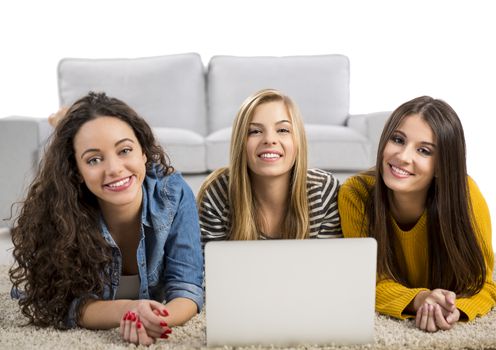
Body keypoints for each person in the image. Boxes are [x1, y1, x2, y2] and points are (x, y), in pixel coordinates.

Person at [9, 92, 203, 346]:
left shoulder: (173, 193)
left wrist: (158, 319)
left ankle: (68, 124)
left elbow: (187, 288)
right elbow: (64, 305)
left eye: (125, 150)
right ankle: (64, 125)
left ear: (144, 152)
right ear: (76, 171)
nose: (113, 169)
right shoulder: (62, 212)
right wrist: (130, 310)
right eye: (94, 160)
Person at [338, 96, 496, 332]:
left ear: (442, 165)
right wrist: (419, 299)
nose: (403, 156)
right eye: (398, 140)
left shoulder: (466, 194)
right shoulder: (355, 193)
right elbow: (366, 282)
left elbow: (483, 283)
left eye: (423, 150)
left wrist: (453, 309)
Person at [198, 89, 341, 243]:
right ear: (240, 143)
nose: (270, 139)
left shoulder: (323, 190)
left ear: (298, 140)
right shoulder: (218, 193)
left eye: (283, 130)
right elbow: (210, 265)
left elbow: (330, 264)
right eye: (255, 131)